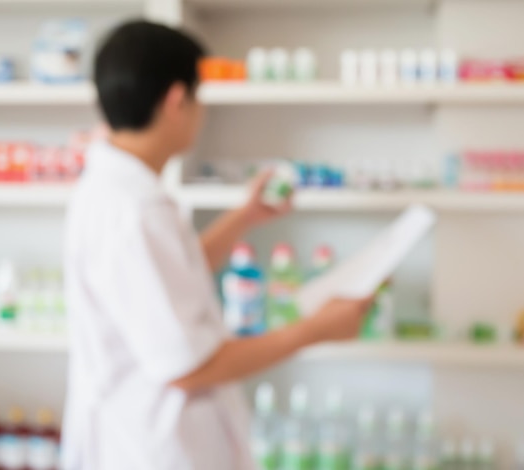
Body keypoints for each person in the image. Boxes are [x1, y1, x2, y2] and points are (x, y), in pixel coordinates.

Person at [62, 20, 373, 470]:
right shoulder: (135, 211)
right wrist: (315, 329)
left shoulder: (116, 190)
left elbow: (164, 284)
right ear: (176, 100)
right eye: (198, 96)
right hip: (152, 448)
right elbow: (189, 367)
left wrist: (241, 220)